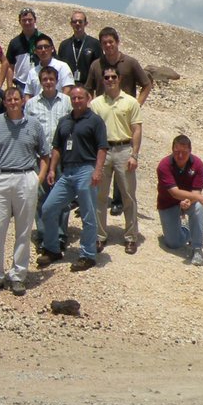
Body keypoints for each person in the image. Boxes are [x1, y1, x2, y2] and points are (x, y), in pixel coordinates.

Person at [0, 87, 50, 296]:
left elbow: (45, 155)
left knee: (23, 231)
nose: (12, 102)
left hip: (25, 177)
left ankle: (18, 276)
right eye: (9, 99)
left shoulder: (34, 124)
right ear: (4, 102)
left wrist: (37, 179)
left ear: (22, 101)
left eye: (16, 99)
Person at [36, 86, 108, 272]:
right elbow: (57, 147)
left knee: (88, 214)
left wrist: (97, 171)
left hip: (86, 169)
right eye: (73, 98)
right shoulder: (64, 121)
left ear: (88, 98)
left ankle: (87, 254)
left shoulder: (95, 121)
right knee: (48, 208)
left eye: (80, 98)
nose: (76, 101)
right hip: (66, 172)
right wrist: (52, 169)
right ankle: (52, 248)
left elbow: (102, 148)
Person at [85, 27, 152, 217]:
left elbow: (146, 84)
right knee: (103, 156)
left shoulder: (130, 62)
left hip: (125, 115)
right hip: (102, 115)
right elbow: (88, 87)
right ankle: (100, 198)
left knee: (122, 156)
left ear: (117, 42)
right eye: (104, 43)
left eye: (110, 42)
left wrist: (137, 105)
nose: (108, 46)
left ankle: (118, 200)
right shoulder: (96, 65)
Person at [90, 64, 143, 255]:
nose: (110, 80)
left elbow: (137, 129)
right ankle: (99, 236)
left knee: (128, 195)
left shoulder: (130, 102)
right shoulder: (96, 104)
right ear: (103, 80)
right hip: (103, 151)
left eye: (113, 77)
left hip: (124, 149)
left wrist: (134, 155)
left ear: (119, 79)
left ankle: (130, 237)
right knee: (100, 196)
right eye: (107, 77)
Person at [24, 66, 72, 251]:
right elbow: (27, 130)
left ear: (57, 80)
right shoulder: (31, 104)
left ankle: (60, 235)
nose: (48, 82)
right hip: (40, 157)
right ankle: (44, 235)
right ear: (40, 81)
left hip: (63, 156)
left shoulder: (67, 101)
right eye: (45, 79)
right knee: (40, 196)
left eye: (51, 79)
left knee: (63, 197)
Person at [156, 135, 203, 267]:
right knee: (173, 243)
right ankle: (187, 229)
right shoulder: (164, 165)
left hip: (189, 201)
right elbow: (174, 192)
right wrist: (198, 198)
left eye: (184, 152)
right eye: (177, 152)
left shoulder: (197, 164)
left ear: (190, 151)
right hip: (168, 203)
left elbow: (196, 191)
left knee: (198, 207)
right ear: (172, 150)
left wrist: (190, 201)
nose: (180, 156)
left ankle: (197, 248)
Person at [57, 10, 102, 85]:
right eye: (75, 22)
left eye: (80, 22)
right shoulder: (64, 45)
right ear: (71, 24)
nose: (77, 24)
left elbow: (99, 68)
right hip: (68, 87)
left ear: (85, 23)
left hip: (88, 87)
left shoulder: (95, 44)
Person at [3, 7, 40, 91]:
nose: (27, 22)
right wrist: (9, 88)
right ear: (19, 22)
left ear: (35, 20)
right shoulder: (14, 42)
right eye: (24, 20)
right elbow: (10, 67)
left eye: (30, 20)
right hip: (21, 85)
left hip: (40, 84)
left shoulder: (43, 40)